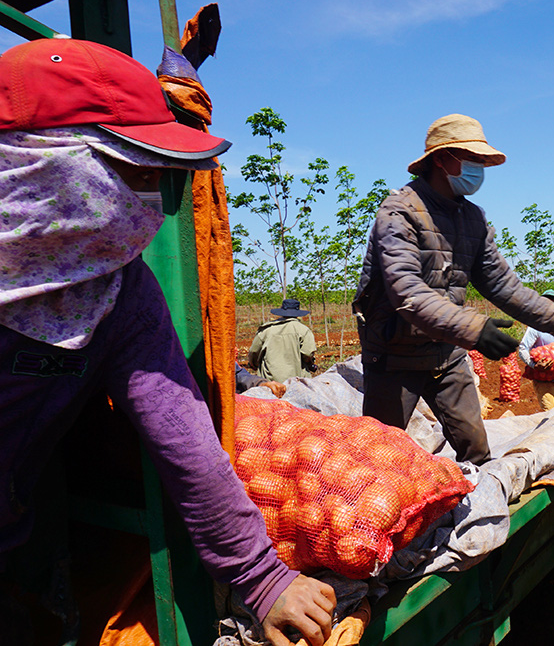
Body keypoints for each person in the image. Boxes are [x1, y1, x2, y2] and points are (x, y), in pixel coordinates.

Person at [0, 38, 334, 646]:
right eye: (129, 170)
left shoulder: (119, 288)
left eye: (155, 175)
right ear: (39, 167)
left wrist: (261, 577)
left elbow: (185, 438)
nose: (147, 198)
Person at [352, 114, 554, 464]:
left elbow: (502, 284)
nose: (479, 167)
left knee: (476, 449)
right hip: (394, 355)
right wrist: (475, 329)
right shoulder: (400, 211)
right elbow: (407, 292)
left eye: (482, 160)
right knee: (380, 457)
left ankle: (469, 515)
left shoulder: (473, 219)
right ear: (440, 158)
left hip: (446, 355)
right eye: (472, 158)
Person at [248, 299, 318, 383]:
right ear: (297, 314)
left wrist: (254, 365)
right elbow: (308, 353)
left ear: (282, 312)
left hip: (270, 381)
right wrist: (309, 363)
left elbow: (254, 352)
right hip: (296, 381)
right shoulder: (304, 330)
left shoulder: (266, 330)